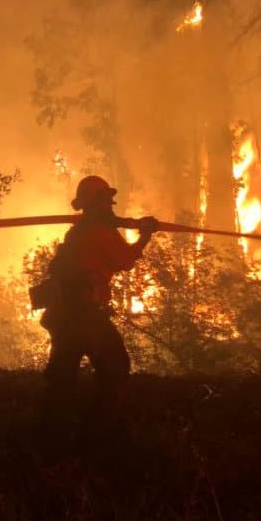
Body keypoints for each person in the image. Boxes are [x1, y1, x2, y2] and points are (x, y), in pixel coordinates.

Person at [37, 175, 157, 443]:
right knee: (115, 367)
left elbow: (102, 262)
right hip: (86, 316)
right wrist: (145, 236)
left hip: (63, 314)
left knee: (62, 376)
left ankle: (52, 433)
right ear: (96, 202)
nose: (111, 204)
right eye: (106, 199)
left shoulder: (77, 232)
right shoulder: (100, 231)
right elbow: (125, 261)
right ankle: (98, 433)